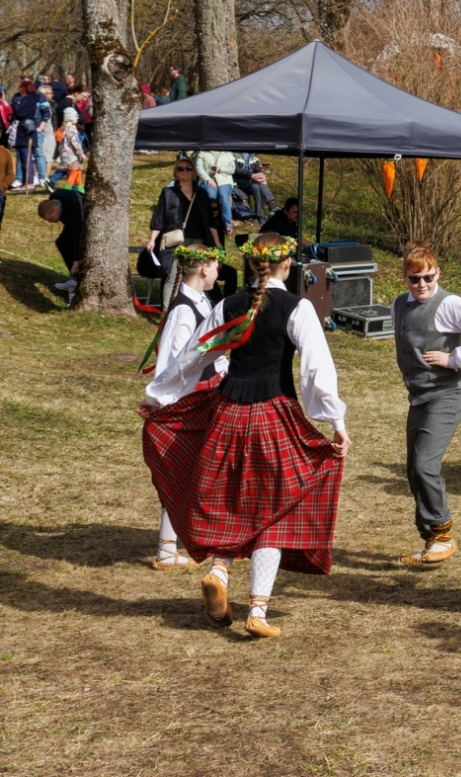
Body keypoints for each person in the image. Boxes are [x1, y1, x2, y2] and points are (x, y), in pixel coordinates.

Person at [142, 234, 350, 639]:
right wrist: (334, 421)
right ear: (287, 265)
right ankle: (257, 610)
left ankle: (220, 571)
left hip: (227, 413)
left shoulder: (227, 304)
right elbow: (315, 371)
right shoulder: (297, 307)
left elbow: (193, 354)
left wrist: (158, 396)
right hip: (274, 414)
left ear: (253, 265)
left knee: (234, 500)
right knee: (278, 506)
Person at [389, 242, 461, 566]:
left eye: (428, 278)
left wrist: (455, 358)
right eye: (414, 278)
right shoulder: (399, 305)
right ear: (405, 278)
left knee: (425, 465)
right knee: (413, 471)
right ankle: (430, 540)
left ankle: (443, 534)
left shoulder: (449, 303)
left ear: (438, 274)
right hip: (418, 395)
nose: (422, 285)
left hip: (447, 393)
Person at [138, 244, 227, 569]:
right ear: (204, 269)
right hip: (188, 401)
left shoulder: (201, 302)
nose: (217, 272)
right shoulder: (184, 311)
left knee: (195, 470)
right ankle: (167, 550)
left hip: (203, 395)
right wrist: (159, 401)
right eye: (215, 266)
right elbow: (174, 363)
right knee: (182, 470)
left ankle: (175, 545)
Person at [146, 157, 221, 303]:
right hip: (176, 242)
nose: (185, 171)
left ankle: (202, 308)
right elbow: (159, 218)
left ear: (193, 172)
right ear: (176, 172)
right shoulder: (168, 193)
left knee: (200, 275)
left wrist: (217, 243)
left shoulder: (201, 194)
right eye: (181, 168)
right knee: (173, 277)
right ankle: (167, 313)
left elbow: (211, 222)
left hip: (198, 241)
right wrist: (152, 240)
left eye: (188, 168)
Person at [37, 189, 85, 292]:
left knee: (75, 244)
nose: (50, 222)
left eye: (50, 218)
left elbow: (77, 235)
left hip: (84, 223)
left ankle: (79, 280)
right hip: (71, 222)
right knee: (61, 242)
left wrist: (76, 260)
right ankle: (73, 278)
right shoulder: (55, 197)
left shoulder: (75, 211)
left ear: (55, 209)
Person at [195, 150, 237, 236]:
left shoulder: (228, 154)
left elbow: (232, 169)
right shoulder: (202, 152)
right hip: (207, 180)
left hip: (224, 180)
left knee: (223, 197)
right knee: (211, 196)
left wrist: (221, 169)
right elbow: (198, 168)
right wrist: (208, 179)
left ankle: (227, 224)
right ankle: (209, 223)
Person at [54, 106, 85, 189]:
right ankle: (67, 189)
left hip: (65, 154)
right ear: (71, 118)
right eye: (76, 117)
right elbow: (75, 142)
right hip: (72, 155)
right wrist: (81, 153)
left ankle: (81, 189)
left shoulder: (63, 128)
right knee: (74, 172)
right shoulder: (71, 128)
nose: (77, 119)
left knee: (78, 172)